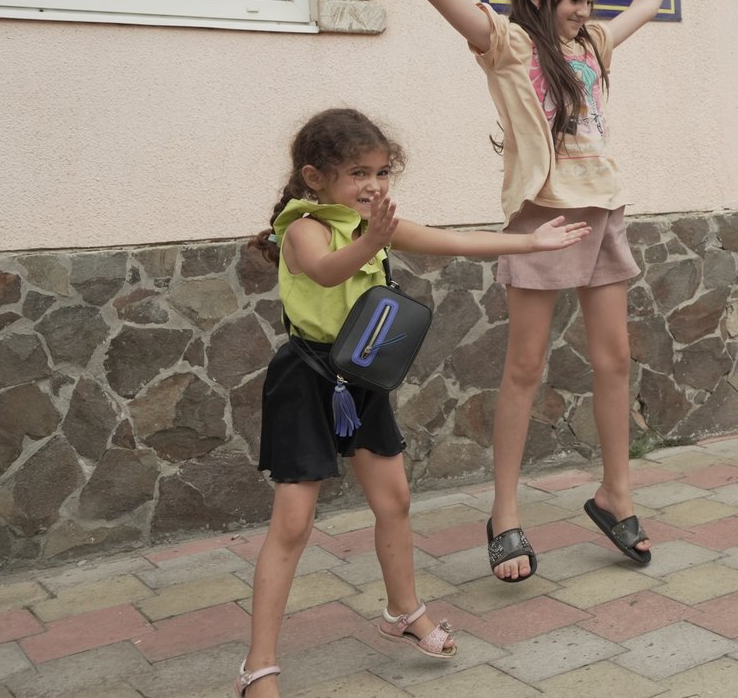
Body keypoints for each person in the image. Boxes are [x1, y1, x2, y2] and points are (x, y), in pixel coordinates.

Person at [379, 0, 706, 579]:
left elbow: (644, 11)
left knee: (614, 359)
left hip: (604, 213)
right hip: (542, 221)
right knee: (524, 367)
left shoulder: (592, 46)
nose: (585, 9)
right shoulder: (508, 45)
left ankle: (616, 494)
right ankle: (506, 512)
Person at [237, 109, 589, 697]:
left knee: (395, 501)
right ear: (315, 177)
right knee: (293, 524)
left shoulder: (372, 218)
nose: (374, 185)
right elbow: (324, 272)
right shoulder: (303, 224)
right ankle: (258, 667)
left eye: (381, 172)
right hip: (306, 382)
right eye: (357, 172)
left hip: (361, 379)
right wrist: (372, 240)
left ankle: (403, 611)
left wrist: (533, 240)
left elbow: (453, 241)